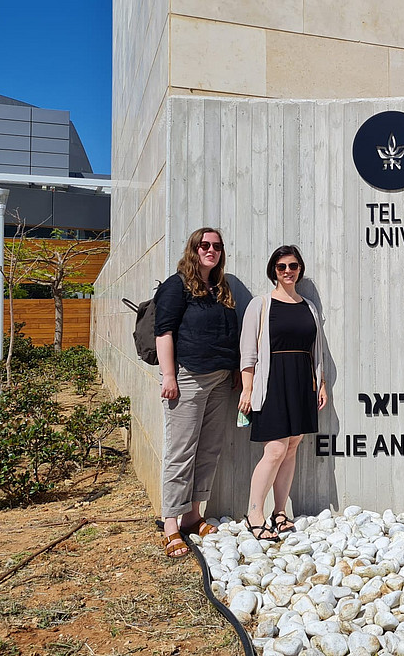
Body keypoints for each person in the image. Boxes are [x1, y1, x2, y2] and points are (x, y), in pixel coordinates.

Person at [155, 226, 240, 558]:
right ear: (193, 248)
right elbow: (164, 332)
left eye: (217, 246)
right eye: (204, 245)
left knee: (208, 450)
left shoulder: (221, 287)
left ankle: (192, 516)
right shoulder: (177, 285)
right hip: (188, 377)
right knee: (181, 451)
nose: (211, 250)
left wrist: (234, 369)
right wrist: (168, 376)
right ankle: (171, 525)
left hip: (220, 379)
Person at [238, 245, 326, 541]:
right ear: (273, 271)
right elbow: (248, 351)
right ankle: (254, 514)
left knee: (292, 447)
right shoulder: (261, 304)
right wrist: (247, 388)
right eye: (281, 267)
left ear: (300, 269)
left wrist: (321, 383)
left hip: (301, 382)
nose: (288, 271)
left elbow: (316, 350)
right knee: (275, 449)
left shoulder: (309, 306)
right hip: (272, 381)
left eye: (293, 266)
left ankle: (279, 512)